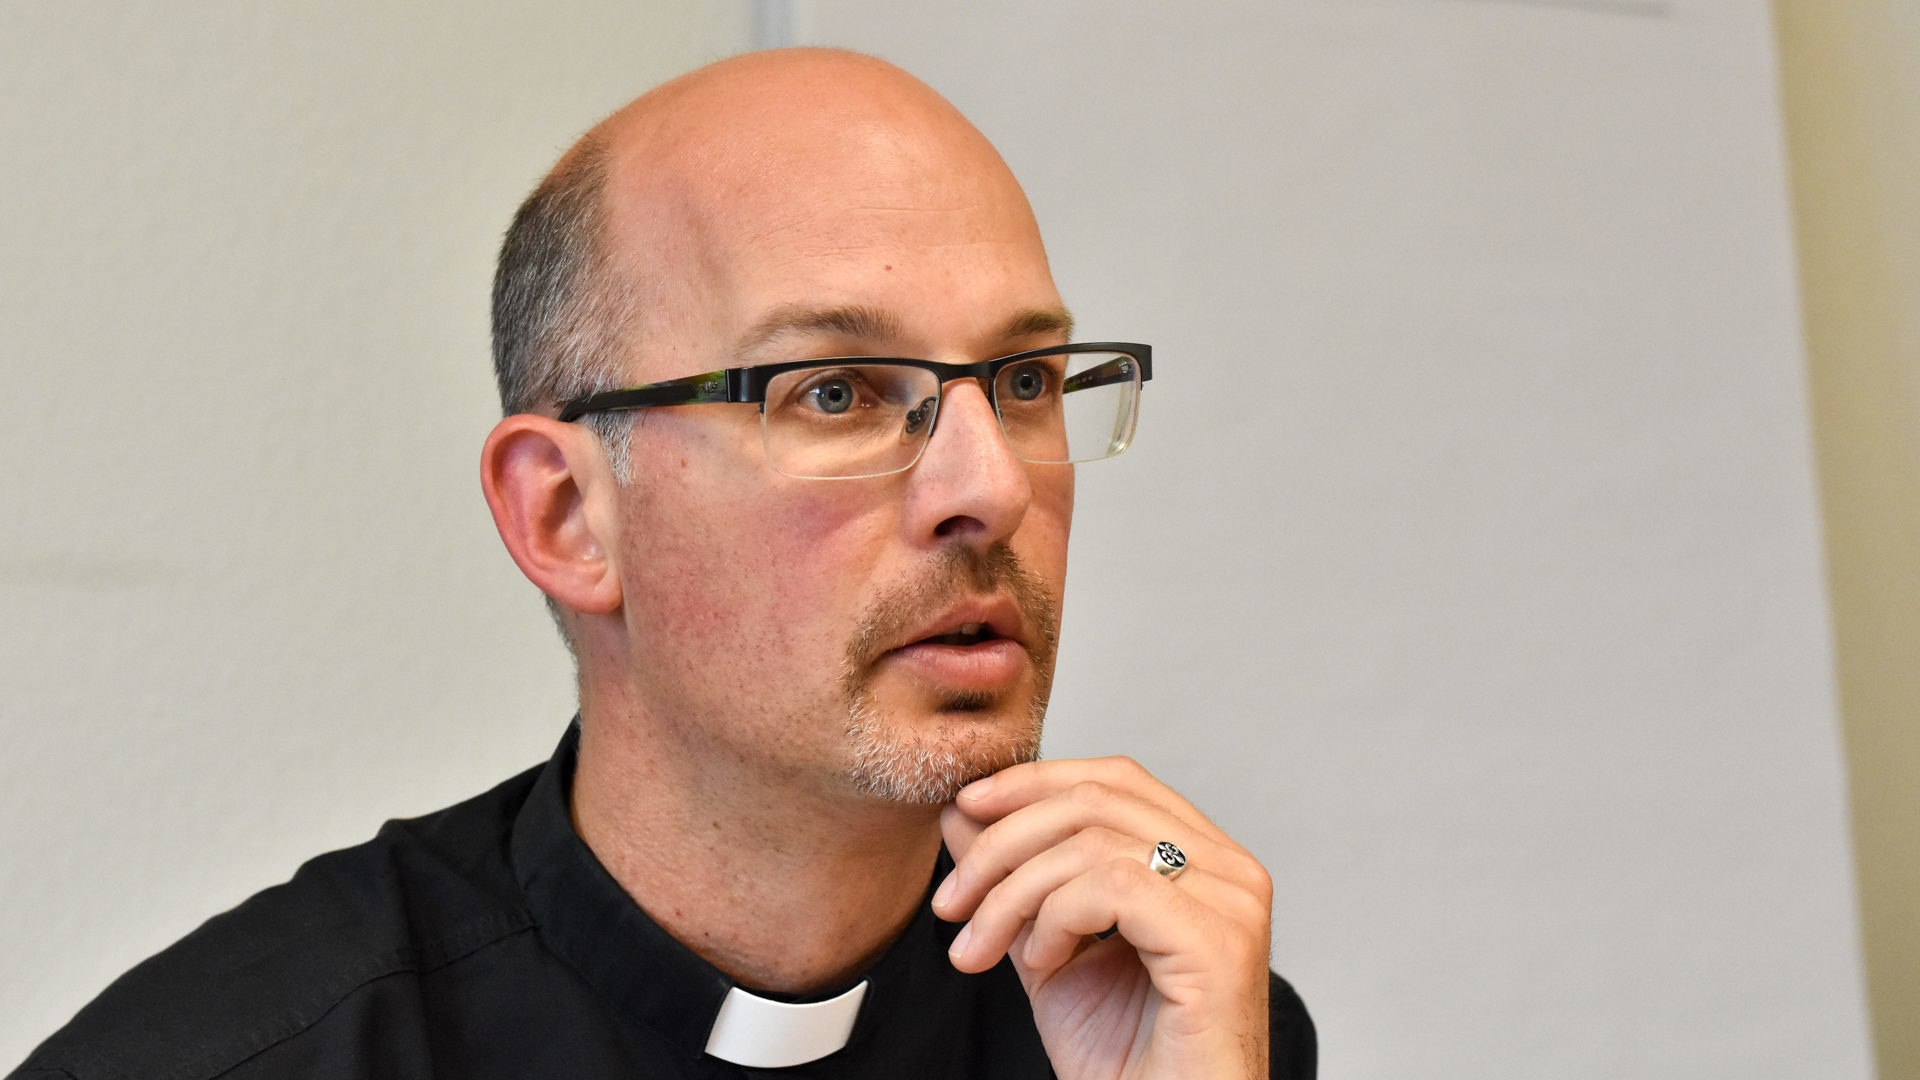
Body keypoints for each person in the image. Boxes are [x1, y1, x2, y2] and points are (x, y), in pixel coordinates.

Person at [9, 48, 1314, 1079]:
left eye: (1024, 380)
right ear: (570, 515)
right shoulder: (231, 1064)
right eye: (839, 393)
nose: (986, 487)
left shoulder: (1155, 1014)